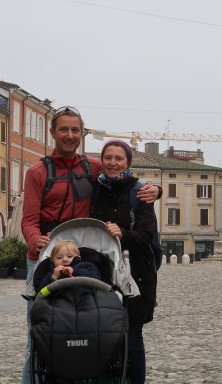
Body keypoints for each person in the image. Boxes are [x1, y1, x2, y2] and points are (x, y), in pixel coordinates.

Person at [21, 106, 160, 384]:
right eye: (64, 129)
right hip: (48, 252)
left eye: (75, 130)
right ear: (53, 132)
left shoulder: (92, 166)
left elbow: (121, 176)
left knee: (91, 324)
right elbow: (29, 220)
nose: (70, 135)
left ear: (81, 134)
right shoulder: (38, 172)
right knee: (40, 330)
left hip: (86, 252)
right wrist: (36, 240)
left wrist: (155, 190)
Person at [91, 140, 158, 384]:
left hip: (135, 275)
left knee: (133, 336)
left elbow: (146, 236)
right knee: (102, 334)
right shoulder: (94, 189)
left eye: (119, 158)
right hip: (102, 274)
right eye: (108, 157)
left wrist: (122, 233)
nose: (113, 163)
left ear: (128, 163)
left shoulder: (139, 192)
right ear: (102, 160)